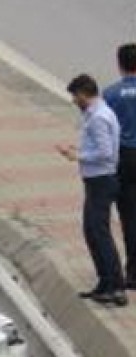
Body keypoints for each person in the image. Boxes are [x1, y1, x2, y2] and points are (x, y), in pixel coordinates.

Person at [57, 74, 126, 306]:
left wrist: (77, 156)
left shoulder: (98, 117)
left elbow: (106, 152)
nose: (74, 101)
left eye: (75, 97)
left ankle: (114, 285)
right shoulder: (96, 114)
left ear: (84, 94)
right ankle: (105, 282)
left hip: (101, 180)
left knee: (99, 232)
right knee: (92, 230)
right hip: (97, 179)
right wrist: (80, 149)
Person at [103, 43, 136, 289]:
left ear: (119, 64)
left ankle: (133, 272)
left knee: (129, 215)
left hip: (124, 159)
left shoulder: (110, 94)